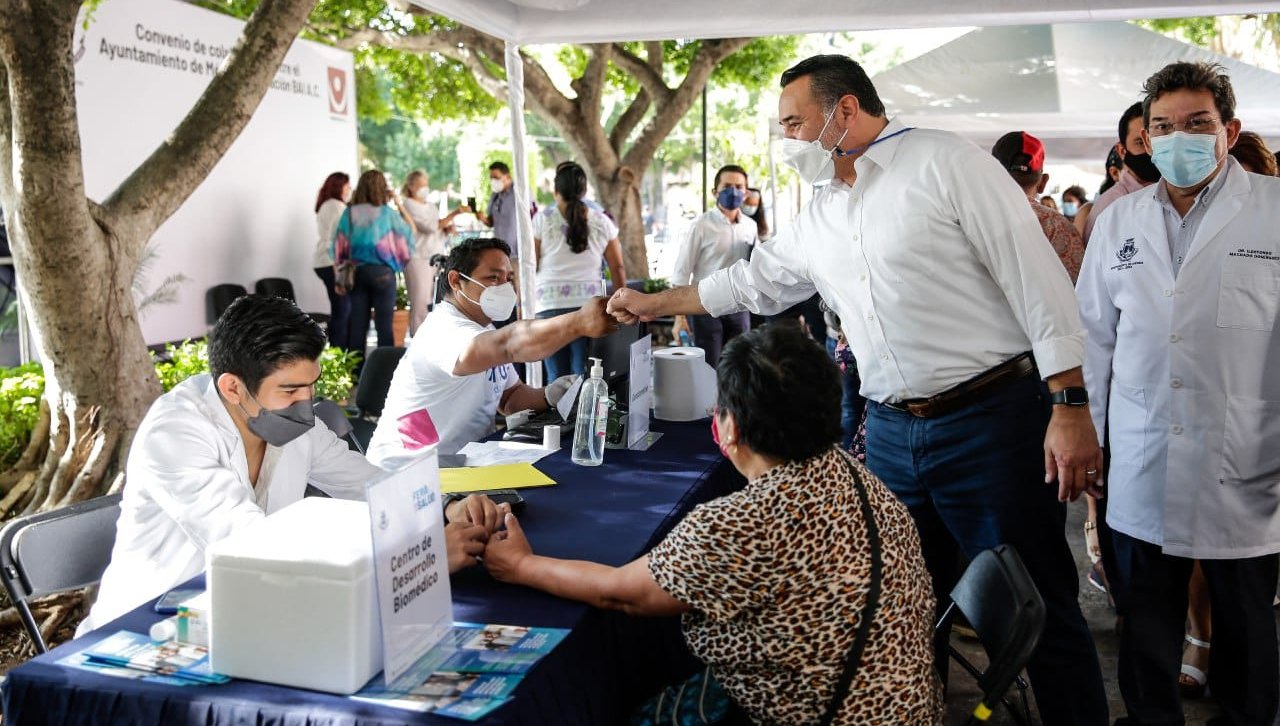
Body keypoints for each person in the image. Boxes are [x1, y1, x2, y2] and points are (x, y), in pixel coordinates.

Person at [607, 53, 1107, 725]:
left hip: (992, 421)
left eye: (794, 122)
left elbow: (1037, 284)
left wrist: (1070, 405)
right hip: (893, 433)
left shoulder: (946, 164)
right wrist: (657, 300)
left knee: (1039, 604)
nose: (786, 140)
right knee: (898, 607)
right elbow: (753, 283)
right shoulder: (821, 211)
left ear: (844, 111)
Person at [483, 323, 943, 724]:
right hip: (906, 707)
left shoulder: (744, 521)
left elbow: (621, 592)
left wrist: (520, 566)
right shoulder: (858, 477)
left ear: (730, 428)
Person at [80, 296, 502, 634]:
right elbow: (253, 546)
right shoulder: (175, 434)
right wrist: (414, 558)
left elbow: (367, 483)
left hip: (250, 613)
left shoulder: (291, 424)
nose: (306, 405)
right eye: (290, 390)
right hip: (149, 629)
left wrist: (445, 506)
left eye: (311, 386)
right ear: (233, 387)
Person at [1078, 61, 1280, 726]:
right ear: (1143, 136)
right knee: (1145, 632)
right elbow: (1095, 342)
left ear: (1230, 130)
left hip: (1250, 464)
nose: (1177, 140)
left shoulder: (1273, 214)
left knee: (1250, 636)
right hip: (1141, 458)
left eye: (1197, 124)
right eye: (1162, 127)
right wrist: (1095, 443)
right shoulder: (1118, 222)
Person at [366, 238, 616, 465]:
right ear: (456, 281)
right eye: (493, 278)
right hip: (411, 471)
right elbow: (508, 345)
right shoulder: (443, 329)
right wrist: (578, 322)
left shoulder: (483, 328)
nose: (505, 287)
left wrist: (551, 394)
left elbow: (510, 398)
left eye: (508, 278)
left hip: (465, 461)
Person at [533, 161, 625, 379]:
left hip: (548, 305)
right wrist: (620, 304)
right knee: (584, 376)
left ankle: (558, 414)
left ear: (556, 191)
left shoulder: (541, 220)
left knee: (556, 381)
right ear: (584, 191)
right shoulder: (602, 222)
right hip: (589, 307)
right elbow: (617, 266)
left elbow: (532, 264)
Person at [671, 165, 758, 366]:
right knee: (708, 366)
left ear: (745, 193)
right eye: (727, 186)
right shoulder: (700, 225)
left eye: (739, 186)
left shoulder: (750, 227)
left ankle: (731, 400)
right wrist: (680, 317)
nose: (734, 191)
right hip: (705, 306)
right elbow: (682, 272)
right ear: (715, 192)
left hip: (739, 305)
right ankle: (710, 399)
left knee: (739, 365)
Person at [332, 170, 415, 360]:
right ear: (382, 188)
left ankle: (355, 375)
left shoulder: (350, 212)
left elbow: (340, 245)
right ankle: (384, 374)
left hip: (357, 273)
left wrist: (339, 277)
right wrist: (398, 203)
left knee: (358, 326)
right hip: (383, 274)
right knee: (384, 326)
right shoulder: (387, 213)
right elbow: (410, 232)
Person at [990, 131, 1085, 281]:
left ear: (991, 175)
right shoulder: (1057, 226)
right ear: (1043, 182)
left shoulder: (964, 217)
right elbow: (1078, 287)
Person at [1082, 102, 1162, 245]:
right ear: (1122, 151)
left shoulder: (1179, 193)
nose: (1151, 149)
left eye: (1156, 140)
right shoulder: (1111, 207)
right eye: (1140, 142)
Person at [401, 170, 468, 334]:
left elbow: (437, 226)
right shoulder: (408, 205)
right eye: (421, 185)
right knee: (420, 301)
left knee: (435, 301)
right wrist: (455, 213)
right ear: (411, 186)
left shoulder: (430, 206)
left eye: (426, 184)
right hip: (418, 257)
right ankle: (416, 339)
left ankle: (429, 338)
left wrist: (446, 228)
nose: (425, 188)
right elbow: (429, 227)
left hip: (435, 257)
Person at [312, 172, 351, 349]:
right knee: (342, 310)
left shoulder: (325, 205)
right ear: (339, 186)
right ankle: (338, 351)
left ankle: (337, 350)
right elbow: (338, 239)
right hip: (331, 262)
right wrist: (338, 270)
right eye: (347, 186)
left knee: (339, 309)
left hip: (322, 260)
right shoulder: (337, 206)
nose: (349, 189)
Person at [477, 161, 518, 256]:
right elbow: (491, 222)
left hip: (517, 255)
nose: (493, 181)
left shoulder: (520, 194)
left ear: (508, 176)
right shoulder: (495, 196)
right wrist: (482, 218)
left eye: (496, 178)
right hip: (500, 253)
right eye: (491, 178)